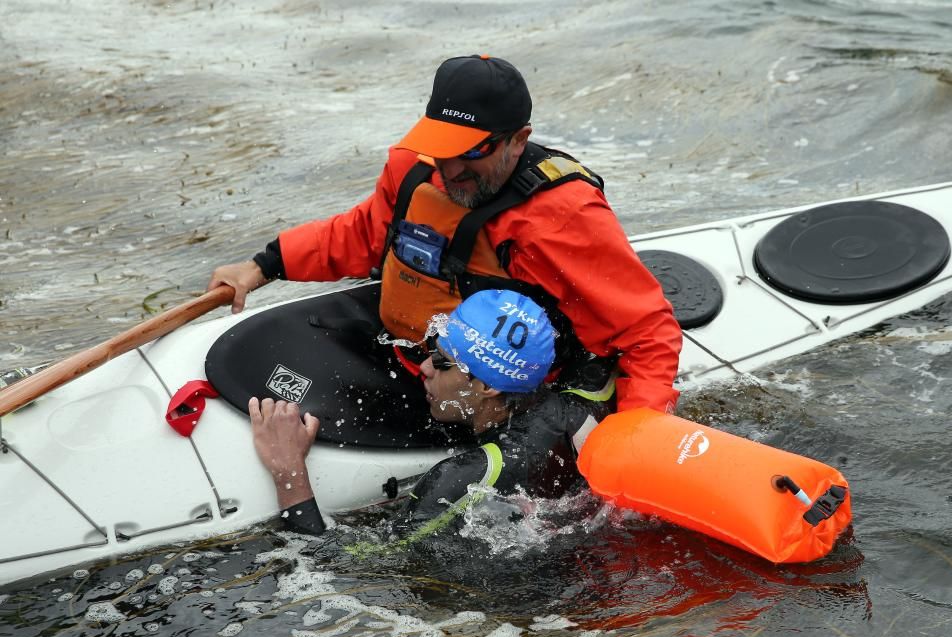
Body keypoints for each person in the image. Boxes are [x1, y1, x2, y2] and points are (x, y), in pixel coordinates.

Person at [209, 53, 681, 421]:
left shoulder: (561, 218)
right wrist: (261, 266)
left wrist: (641, 428)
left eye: (471, 151)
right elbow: (362, 234)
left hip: (500, 395)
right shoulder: (413, 168)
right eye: (441, 146)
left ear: (518, 139)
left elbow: (646, 332)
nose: (451, 169)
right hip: (414, 359)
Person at [249, 289, 611, 539]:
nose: (423, 367)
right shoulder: (588, 397)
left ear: (488, 386)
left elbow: (341, 564)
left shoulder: (461, 480)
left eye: (442, 362)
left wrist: (289, 473)